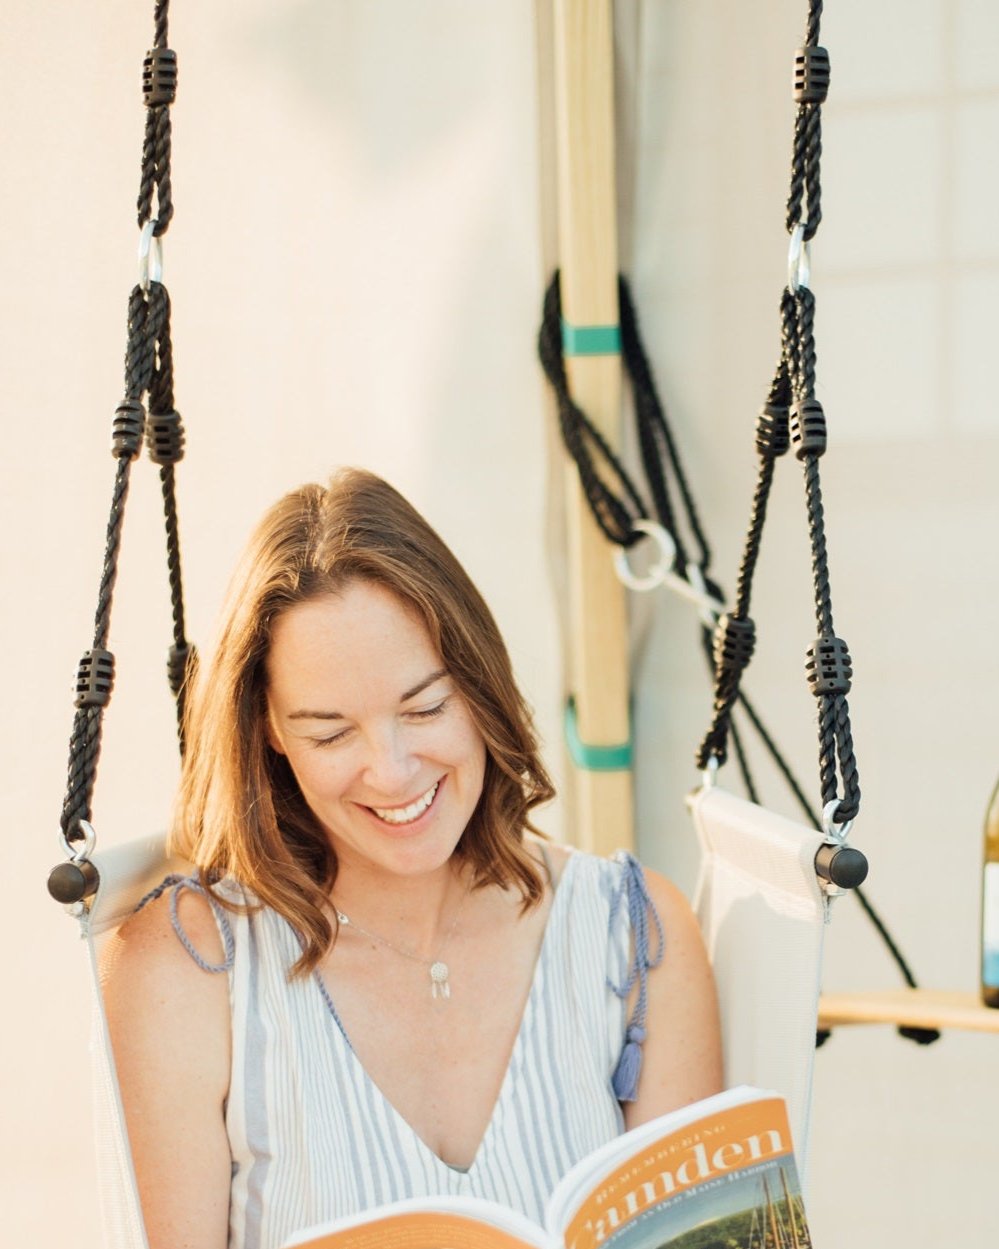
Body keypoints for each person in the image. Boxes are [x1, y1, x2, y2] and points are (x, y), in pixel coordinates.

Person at [101, 467, 722, 1249]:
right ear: (268, 731)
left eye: (425, 707)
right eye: (330, 732)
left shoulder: (634, 937)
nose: (391, 771)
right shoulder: (187, 969)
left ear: (478, 686)